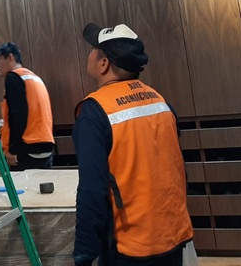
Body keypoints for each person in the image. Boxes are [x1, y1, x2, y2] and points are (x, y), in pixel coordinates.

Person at [72, 23, 193, 266]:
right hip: (173, 236)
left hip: (131, 247)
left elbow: (92, 190)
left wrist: (84, 254)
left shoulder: (95, 111)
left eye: (93, 49)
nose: (90, 54)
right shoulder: (159, 101)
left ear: (104, 64)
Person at [0, 42, 55, 170]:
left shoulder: (13, 77)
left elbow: (18, 115)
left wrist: (12, 149)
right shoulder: (33, 77)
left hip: (26, 148)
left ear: (10, 57)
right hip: (46, 146)